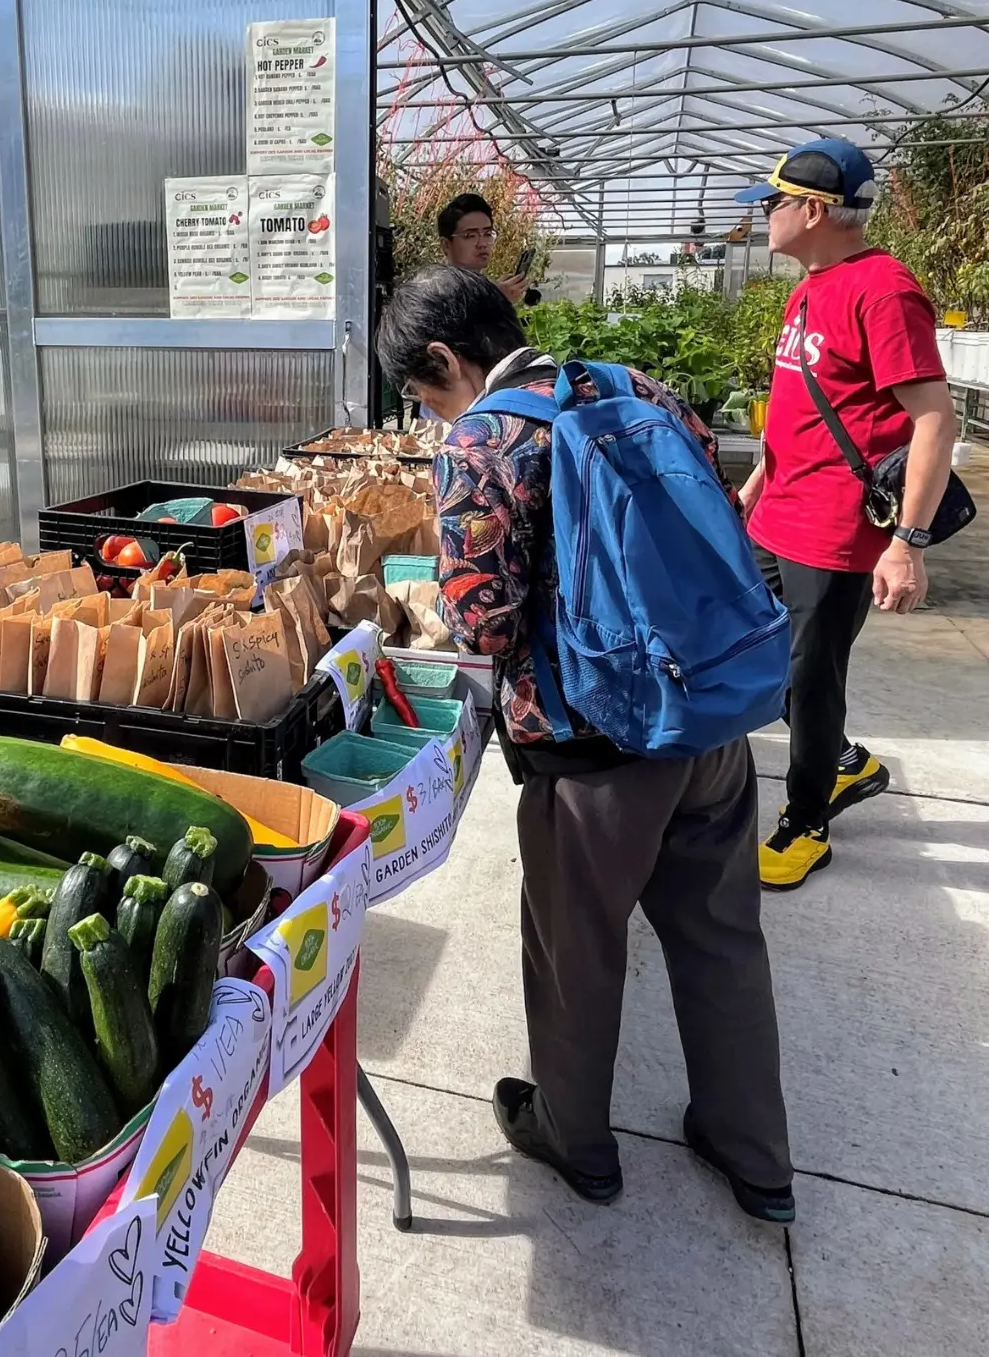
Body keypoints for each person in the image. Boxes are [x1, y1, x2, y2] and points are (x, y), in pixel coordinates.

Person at [376, 264, 794, 1224]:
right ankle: (755, 1153)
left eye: (423, 392)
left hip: (593, 752)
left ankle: (576, 1135)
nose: (434, 415)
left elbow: (482, 626)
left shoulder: (486, 436)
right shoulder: (632, 384)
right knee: (723, 939)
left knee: (577, 950)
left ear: (446, 359)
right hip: (708, 720)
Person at [734, 139, 957, 891]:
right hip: (778, 516)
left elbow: (934, 419)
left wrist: (907, 543)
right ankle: (845, 760)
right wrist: (758, 481)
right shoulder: (811, 285)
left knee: (811, 674)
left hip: (834, 533)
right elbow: (804, 402)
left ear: (816, 210)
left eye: (774, 202)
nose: (765, 214)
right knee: (762, 655)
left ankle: (807, 822)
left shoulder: (884, 291)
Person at [437, 193, 529, 304]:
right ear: (446, 245)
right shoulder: (439, 291)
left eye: (487, 234)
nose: (482, 243)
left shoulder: (481, 287)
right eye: (470, 236)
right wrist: (497, 299)